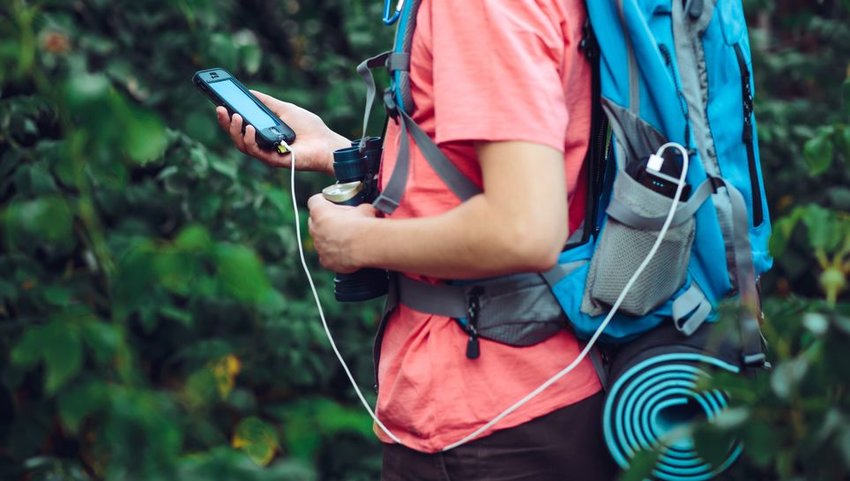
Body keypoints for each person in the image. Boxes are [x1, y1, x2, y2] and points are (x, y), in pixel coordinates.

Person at [216, 0, 617, 479]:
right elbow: (477, 174)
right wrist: (334, 149)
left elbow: (525, 229)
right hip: (512, 400)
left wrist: (356, 243)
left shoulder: (479, 9)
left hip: (490, 419)